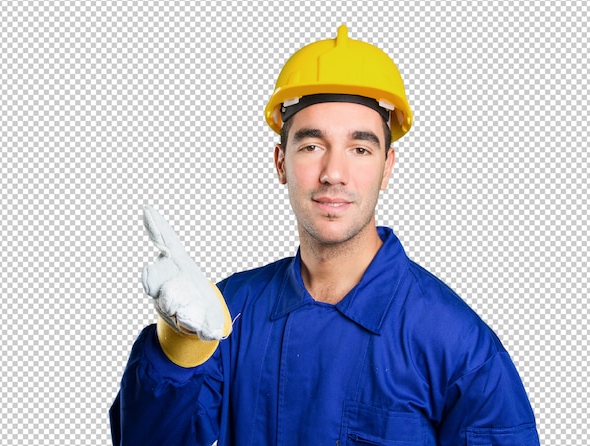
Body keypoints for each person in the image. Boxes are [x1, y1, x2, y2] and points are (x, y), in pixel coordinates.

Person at [110, 25, 540, 445]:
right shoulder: (228, 315)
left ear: (388, 166)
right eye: (312, 145)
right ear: (280, 162)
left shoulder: (455, 343)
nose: (334, 173)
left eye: (360, 148)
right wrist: (179, 348)